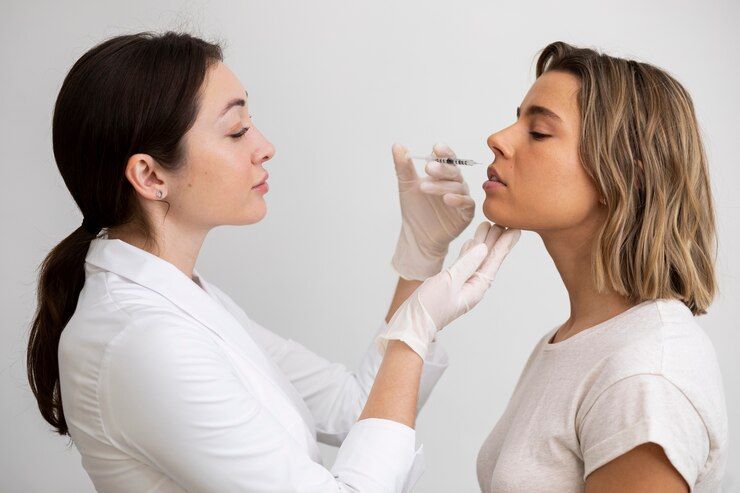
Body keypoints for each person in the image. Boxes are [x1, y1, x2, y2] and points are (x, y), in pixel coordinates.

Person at [26, 31, 520, 492]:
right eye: (237, 130)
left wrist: (421, 259)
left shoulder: (189, 301)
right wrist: (414, 330)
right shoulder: (144, 340)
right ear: (151, 176)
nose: (265, 147)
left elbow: (353, 410)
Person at [475, 41, 727, 492]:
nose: (498, 138)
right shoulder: (572, 341)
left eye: (538, 132)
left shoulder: (645, 377)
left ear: (621, 177)